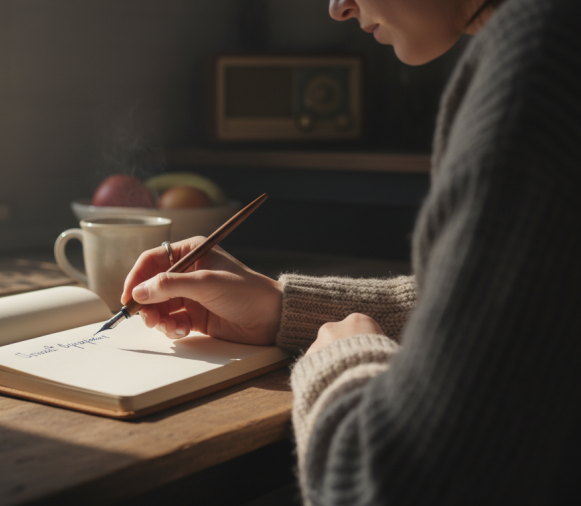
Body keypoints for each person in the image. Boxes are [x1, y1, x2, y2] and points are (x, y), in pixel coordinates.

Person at [120, 0, 581, 504]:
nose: (338, 7)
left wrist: (345, 361)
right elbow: (523, 312)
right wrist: (284, 308)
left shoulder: (542, 61)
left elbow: (391, 483)